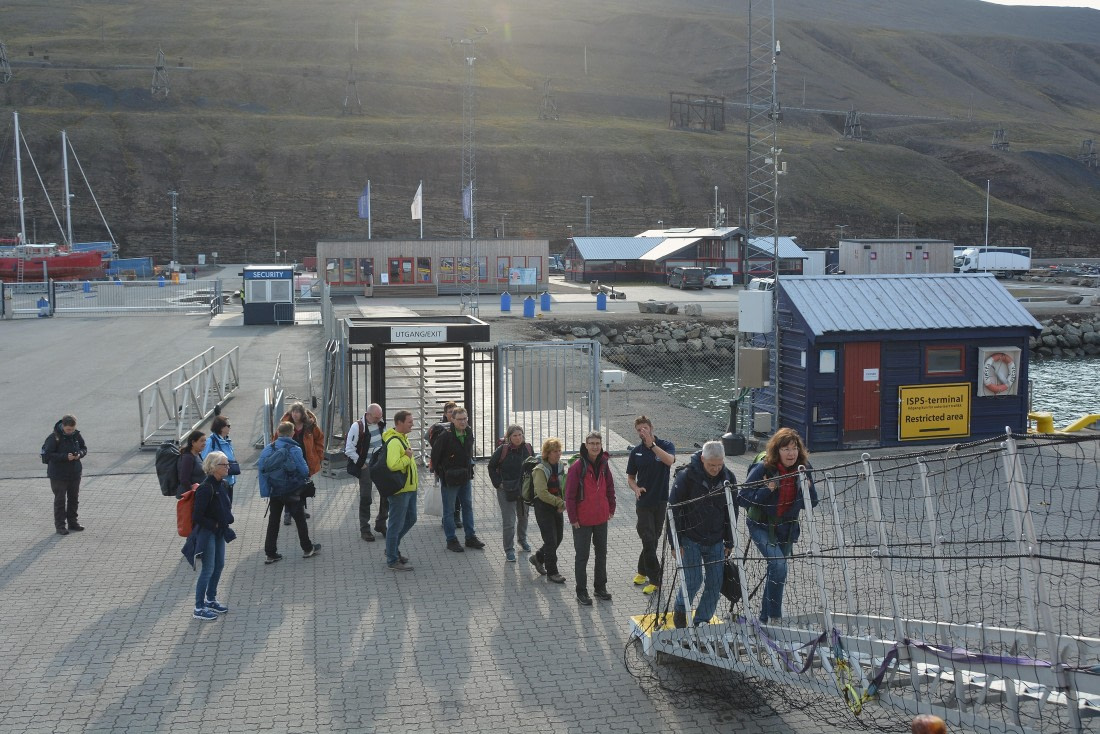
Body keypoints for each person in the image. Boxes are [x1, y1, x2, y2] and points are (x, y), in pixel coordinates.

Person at [740, 427, 819, 625]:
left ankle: (764, 619)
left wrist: (808, 490)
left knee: (777, 571)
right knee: (778, 565)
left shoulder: (804, 468)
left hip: (787, 528)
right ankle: (775, 618)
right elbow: (742, 498)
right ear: (777, 451)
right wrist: (767, 489)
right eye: (786, 449)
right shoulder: (764, 469)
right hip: (761, 525)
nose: (791, 453)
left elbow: (814, 502)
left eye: (794, 448)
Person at [669, 441, 736, 629]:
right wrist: (675, 543)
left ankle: (702, 620)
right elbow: (672, 511)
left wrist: (729, 540)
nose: (715, 469)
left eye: (719, 465)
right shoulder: (686, 477)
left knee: (715, 582)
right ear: (702, 459)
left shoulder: (728, 478)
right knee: (693, 580)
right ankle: (681, 610)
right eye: (711, 465)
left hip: (716, 539)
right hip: (690, 539)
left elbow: (732, 511)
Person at [183, 451, 236, 621]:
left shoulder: (225, 484)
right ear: (213, 467)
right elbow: (197, 516)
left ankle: (211, 599)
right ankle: (199, 607)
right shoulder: (206, 488)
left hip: (219, 531)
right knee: (208, 569)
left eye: (228, 463)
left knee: (219, 565)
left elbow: (226, 506)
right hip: (208, 532)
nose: (228, 467)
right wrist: (214, 525)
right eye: (224, 464)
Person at [625, 415, 675, 595]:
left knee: (653, 539)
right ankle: (656, 580)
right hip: (644, 502)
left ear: (651, 428)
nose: (642, 432)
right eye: (639, 430)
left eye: (644, 428)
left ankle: (641, 571)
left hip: (661, 501)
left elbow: (670, 461)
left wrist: (653, 446)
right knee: (647, 538)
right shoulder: (636, 452)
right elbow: (630, 478)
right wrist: (636, 488)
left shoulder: (666, 445)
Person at [259, 422, 321, 564]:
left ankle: (270, 553)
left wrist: (265, 492)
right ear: (291, 433)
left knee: (273, 521)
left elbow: (262, 472)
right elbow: (304, 470)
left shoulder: (268, 449)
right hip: (291, 491)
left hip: (275, 491)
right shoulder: (294, 448)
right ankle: (307, 548)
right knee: (300, 519)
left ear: (278, 433)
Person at [565, 432, 615, 606]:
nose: (595, 446)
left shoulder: (604, 464)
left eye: (598, 443)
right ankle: (581, 592)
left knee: (602, 554)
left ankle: (600, 588)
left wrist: (612, 508)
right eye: (592, 443)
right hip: (582, 520)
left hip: (601, 517)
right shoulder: (577, 467)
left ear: (601, 445)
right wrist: (573, 518)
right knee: (582, 557)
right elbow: (569, 496)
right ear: (586, 445)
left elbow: (610, 487)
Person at [431, 407, 486, 552]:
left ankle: (470, 538)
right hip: (449, 479)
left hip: (465, 477)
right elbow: (435, 455)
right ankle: (451, 540)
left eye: (465, 418)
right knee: (449, 510)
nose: (463, 422)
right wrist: (436, 472)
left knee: (467, 507)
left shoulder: (468, 432)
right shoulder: (445, 436)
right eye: (460, 419)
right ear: (452, 420)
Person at [487, 424, 534, 562]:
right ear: (509, 437)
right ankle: (509, 549)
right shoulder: (503, 450)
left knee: (524, 516)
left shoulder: (528, 448)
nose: (518, 438)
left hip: (523, 488)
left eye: (520, 435)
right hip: (506, 489)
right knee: (509, 521)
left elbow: (534, 465)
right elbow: (491, 466)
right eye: (515, 435)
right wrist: (498, 483)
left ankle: (522, 540)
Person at [344, 403, 387, 541]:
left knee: (386, 494)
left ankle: (381, 523)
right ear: (368, 415)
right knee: (366, 497)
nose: (379, 420)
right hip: (367, 466)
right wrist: (361, 464)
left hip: (379, 466)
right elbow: (349, 449)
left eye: (380, 417)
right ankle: (365, 529)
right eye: (376, 417)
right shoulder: (357, 427)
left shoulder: (380, 424)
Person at [529, 437, 568, 585]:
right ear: (547, 453)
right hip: (543, 506)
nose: (558, 454)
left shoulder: (559, 465)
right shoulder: (540, 469)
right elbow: (542, 493)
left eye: (559, 451)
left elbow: (561, 485)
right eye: (554, 452)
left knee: (558, 538)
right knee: (551, 541)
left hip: (556, 505)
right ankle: (553, 572)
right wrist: (560, 502)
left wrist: (562, 503)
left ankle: (538, 557)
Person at [278, 402, 324, 526]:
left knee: (303, 486)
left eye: (297, 412)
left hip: (305, 461)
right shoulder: (286, 426)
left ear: (302, 413)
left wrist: (319, 456)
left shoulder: (310, 426)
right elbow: (276, 440)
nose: (295, 414)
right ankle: (287, 513)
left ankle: (300, 510)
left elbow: (319, 439)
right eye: (293, 412)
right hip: (289, 463)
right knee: (289, 487)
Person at [383, 410, 418, 571]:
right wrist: (407, 457)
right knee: (395, 525)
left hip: (410, 489)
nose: (413, 424)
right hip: (400, 491)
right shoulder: (394, 442)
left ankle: (392, 548)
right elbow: (393, 464)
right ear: (399, 423)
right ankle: (392, 559)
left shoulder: (403, 438)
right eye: (409, 422)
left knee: (411, 518)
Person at [42, 415, 87, 535]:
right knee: (60, 501)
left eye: (72, 429)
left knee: (74, 499)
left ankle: (73, 523)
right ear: (63, 426)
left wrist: (79, 454)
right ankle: (60, 526)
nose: (70, 432)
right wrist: (65, 457)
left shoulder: (76, 435)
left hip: (74, 473)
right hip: (58, 475)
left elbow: (84, 448)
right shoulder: (53, 438)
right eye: (68, 430)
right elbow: (48, 455)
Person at [427, 401, 462, 529]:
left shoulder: (461, 426)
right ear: (445, 414)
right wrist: (435, 467)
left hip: (459, 467)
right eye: (450, 412)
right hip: (445, 467)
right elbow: (430, 440)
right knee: (447, 494)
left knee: (458, 493)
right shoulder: (438, 427)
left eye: (455, 412)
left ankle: (456, 516)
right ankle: (446, 518)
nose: (453, 414)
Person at [201, 414, 237, 501]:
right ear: (221, 428)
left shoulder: (227, 440)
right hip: (218, 482)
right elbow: (205, 460)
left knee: (227, 507)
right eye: (228, 426)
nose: (230, 428)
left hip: (229, 481)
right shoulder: (211, 441)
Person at [178, 430, 206, 498]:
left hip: (200, 493)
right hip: (192, 496)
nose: (204, 443)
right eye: (201, 441)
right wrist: (193, 493)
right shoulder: (188, 458)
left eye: (205, 441)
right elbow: (184, 479)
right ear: (193, 442)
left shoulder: (198, 454)